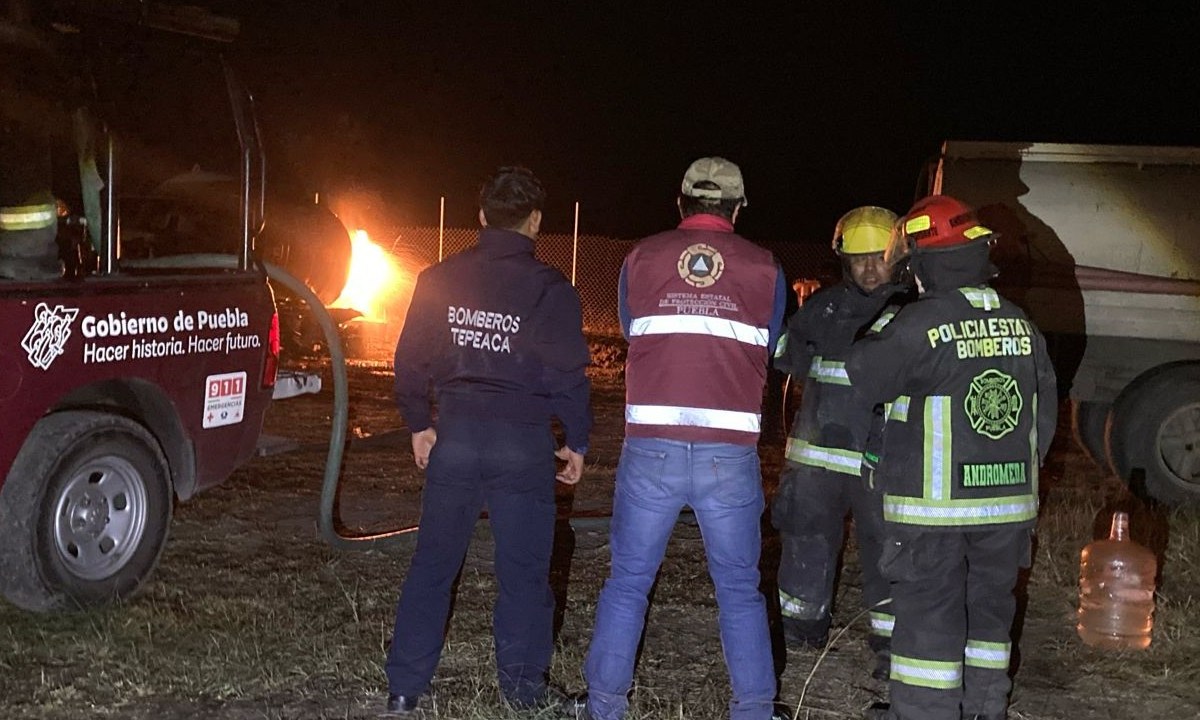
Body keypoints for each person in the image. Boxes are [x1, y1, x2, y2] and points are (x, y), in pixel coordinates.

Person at [580, 157, 787, 720]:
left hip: (651, 447)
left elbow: (630, 328)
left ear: (680, 204)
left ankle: (603, 708)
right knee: (740, 591)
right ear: (738, 209)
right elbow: (768, 343)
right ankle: (755, 710)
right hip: (729, 454)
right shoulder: (767, 267)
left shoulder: (640, 258)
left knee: (627, 583)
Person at [384, 166, 592, 715]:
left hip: (457, 435)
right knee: (524, 573)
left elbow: (408, 361)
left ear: (480, 217)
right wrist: (577, 441)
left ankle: (404, 688)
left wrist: (419, 424)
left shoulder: (438, 279)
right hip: (522, 445)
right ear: (536, 221)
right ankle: (523, 692)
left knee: (433, 563)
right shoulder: (552, 290)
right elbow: (569, 376)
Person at [846, 195, 1057, 720]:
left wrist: (888, 315)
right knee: (989, 611)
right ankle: (985, 708)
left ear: (920, 261)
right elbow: (1044, 410)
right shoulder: (1020, 323)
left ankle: (923, 713)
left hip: (934, 513)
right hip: (1008, 505)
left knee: (928, 617)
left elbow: (862, 374)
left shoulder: (919, 324)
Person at [771, 206, 911, 679]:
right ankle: (799, 627)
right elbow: (785, 361)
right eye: (859, 260)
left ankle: (893, 647)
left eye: (879, 258)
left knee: (887, 549)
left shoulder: (914, 313)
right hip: (819, 461)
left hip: (882, 463)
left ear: (900, 258)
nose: (870, 269)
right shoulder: (823, 307)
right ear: (843, 261)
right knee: (806, 537)